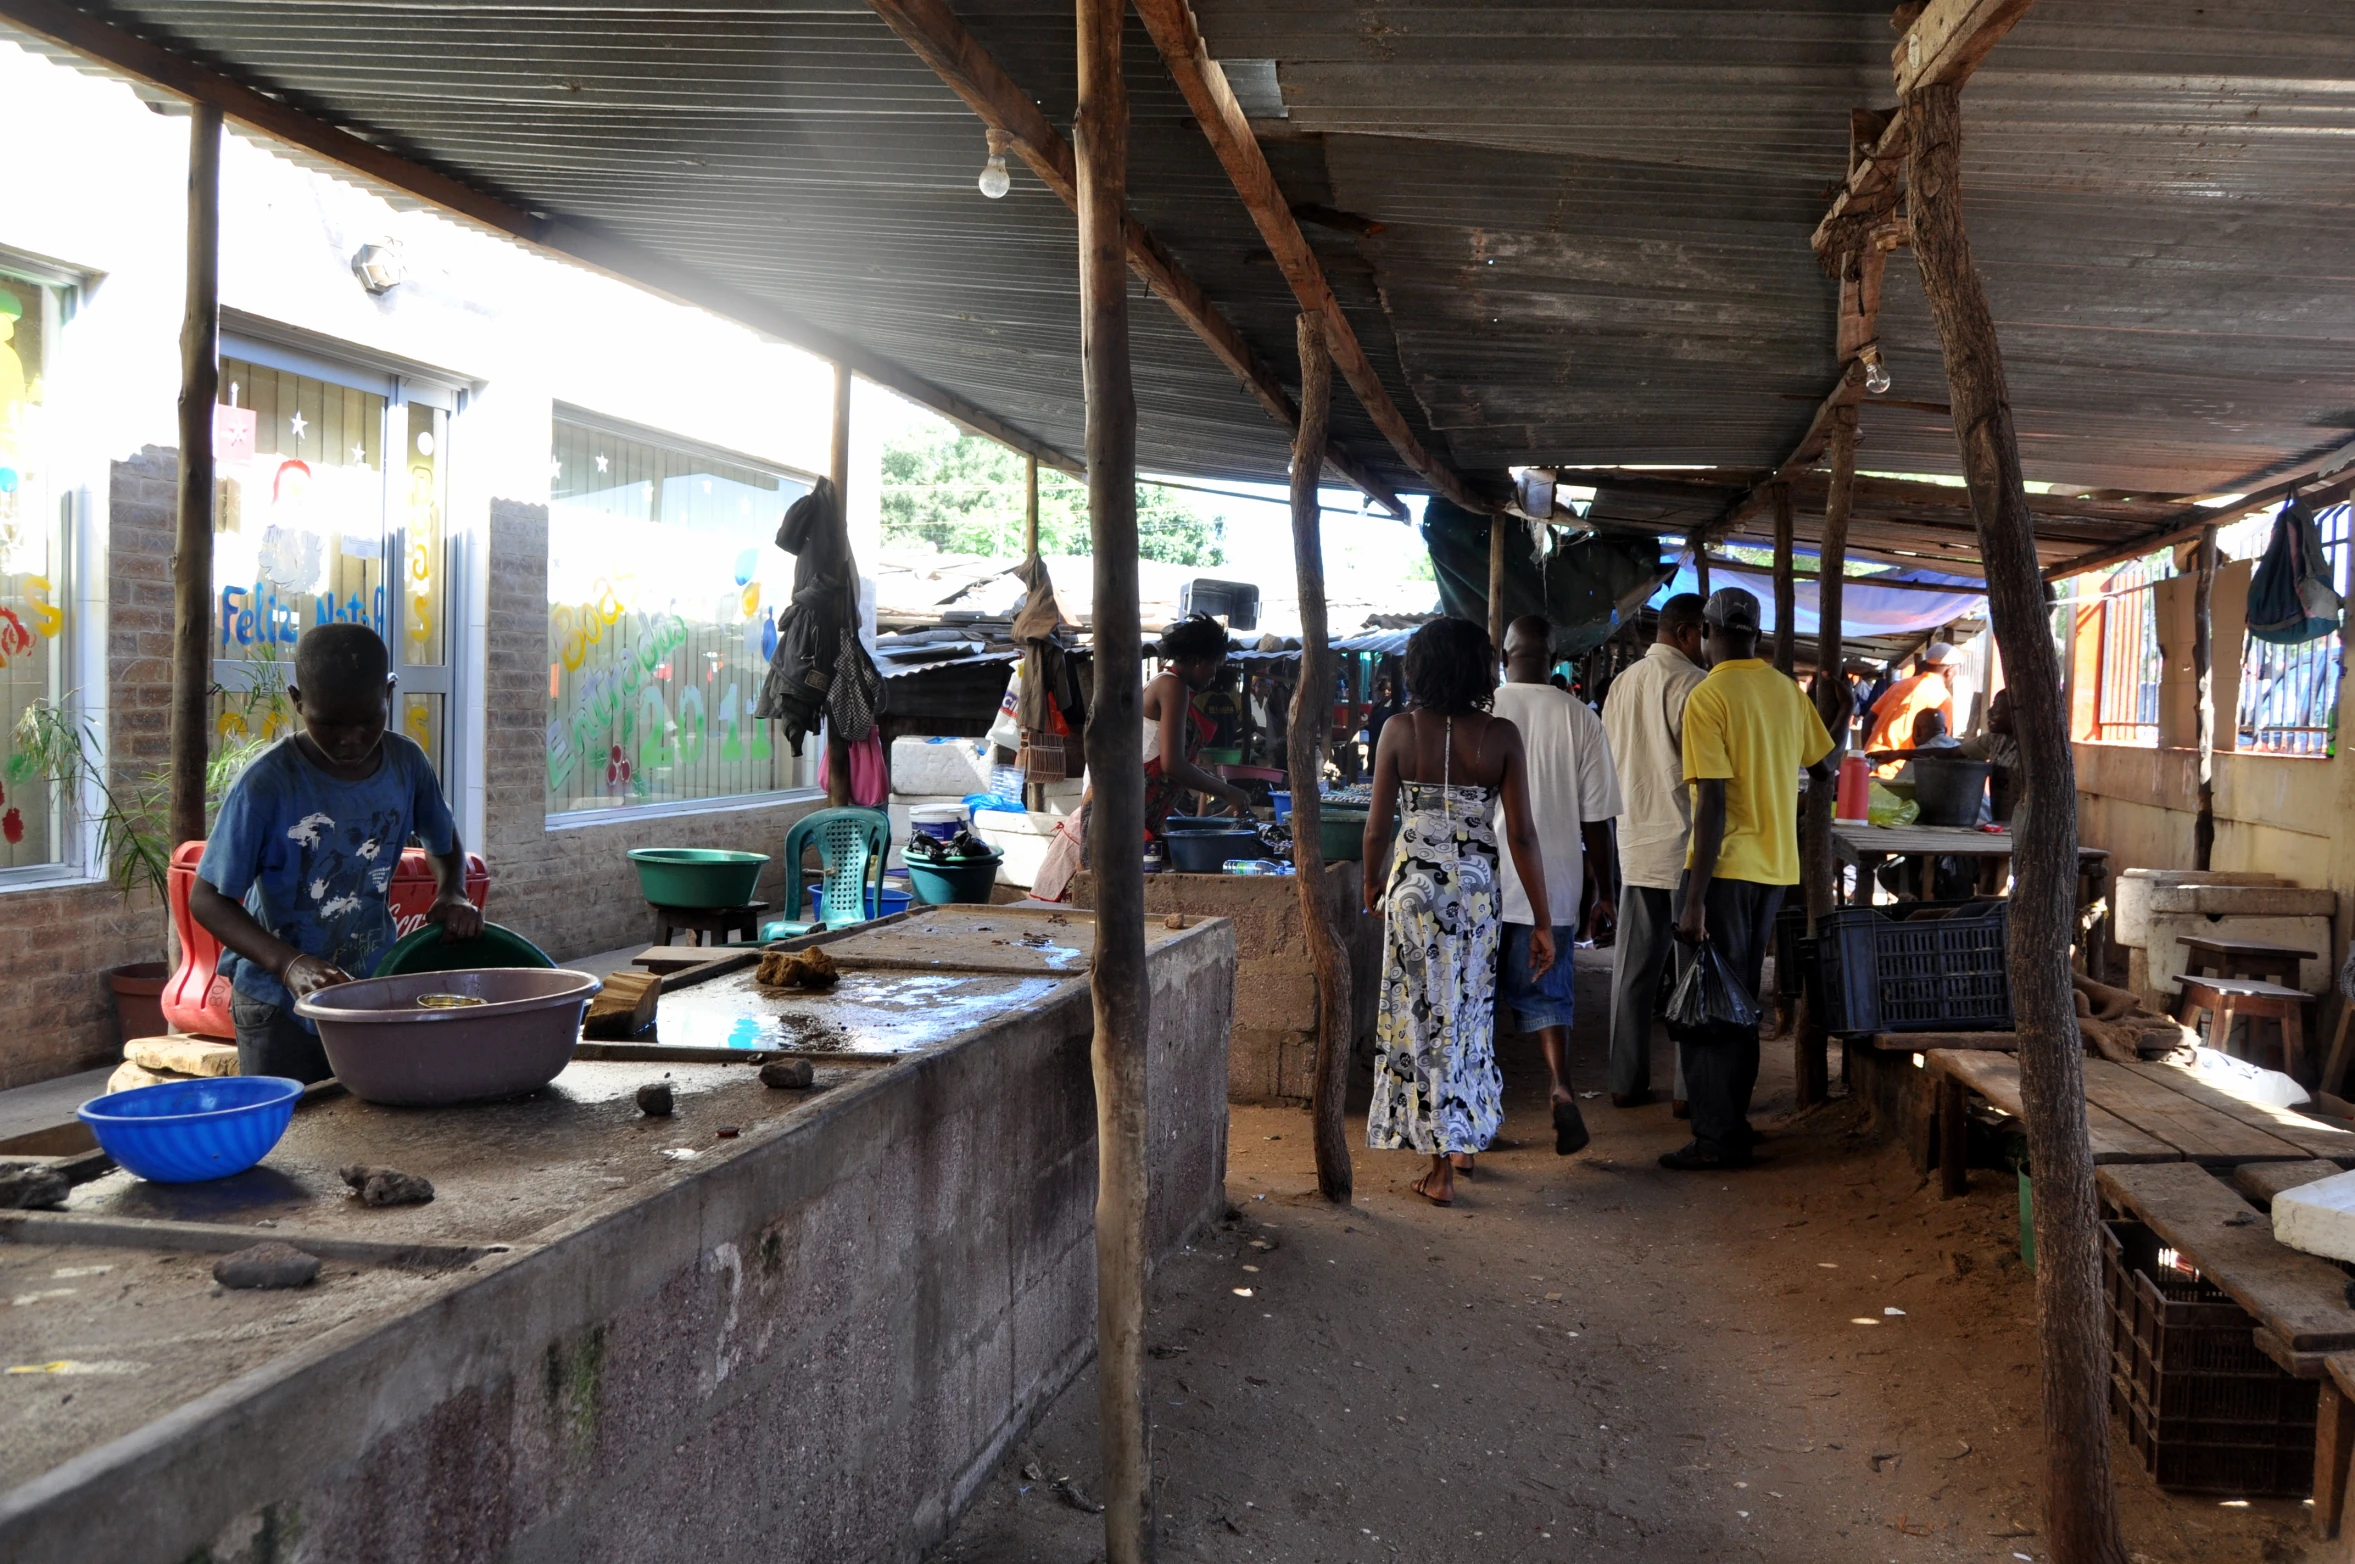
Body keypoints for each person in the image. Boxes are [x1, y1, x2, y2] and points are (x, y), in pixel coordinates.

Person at [191, 624, 482, 1082]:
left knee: (369, 1116)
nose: (351, 738)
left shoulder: (407, 764)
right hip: (277, 1004)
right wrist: (289, 964)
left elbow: (443, 842)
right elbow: (206, 899)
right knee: (293, 1133)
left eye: (368, 719)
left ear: (389, 693)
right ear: (297, 701)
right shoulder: (267, 784)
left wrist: (453, 891)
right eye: (329, 724)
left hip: (370, 987)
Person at [1363, 617, 1553, 1207]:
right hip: (1472, 898)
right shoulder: (1501, 737)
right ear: (1479, 668)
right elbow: (1521, 836)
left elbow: (1376, 828)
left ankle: (1439, 1163)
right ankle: (1459, 1144)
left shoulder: (1398, 731)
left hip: (1413, 892)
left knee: (1419, 1016)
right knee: (1466, 1014)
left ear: (1419, 667)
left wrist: (1372, 884)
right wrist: (1543, 921)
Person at [1666, 588, 1836, 1171]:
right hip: (1774, 871)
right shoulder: (1787, 692)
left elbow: (1711, 801)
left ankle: (1716, 1140)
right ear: (1756, 636)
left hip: (1723, 871)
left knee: (1712, 1006)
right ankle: (1731, 1125)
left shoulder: (1708, 695)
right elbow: (1825, 766)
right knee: (1738, 1001)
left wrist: (1693, 902)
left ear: (1708, 633)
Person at [1492, 614, 1622, 1154]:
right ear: (1553, 658)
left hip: (1485, 883)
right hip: (1556, 886)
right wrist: (1606, 891)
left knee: (1478, 1005)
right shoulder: (1581, 718)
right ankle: (1561, 1085)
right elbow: (1598, 821)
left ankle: (1477, 1121)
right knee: (1552, 999)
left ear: (1506, 655)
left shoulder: (1485, 712)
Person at [1599, 593, 1709, 1111]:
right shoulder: (1696, 686)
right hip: (1684, 849)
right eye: (1705, 634)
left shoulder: (1621, 685)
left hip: (1635, 842)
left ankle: (1625, 1080)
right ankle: (1690, 1092)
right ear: (1688, 633)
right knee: (1692, 975)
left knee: (1633, 974)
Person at [1142, 613, 1253, 836]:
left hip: (1140, 814)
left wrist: (1206, 777)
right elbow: (1172, 765)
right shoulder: (1173, 686)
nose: (1214, 674)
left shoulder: (1165, 682)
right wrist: (1226, 791)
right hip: (1127, 811)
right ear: (1198, 660)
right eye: (1215, 665)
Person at [1863, 642, 1958, 771]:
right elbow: (1939, 743)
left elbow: (1868, 718)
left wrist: (1865, 753)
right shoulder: (1943, 698)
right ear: (1949, 671)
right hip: (1900, 772)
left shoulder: (1899, 685)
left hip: (1870, 763)